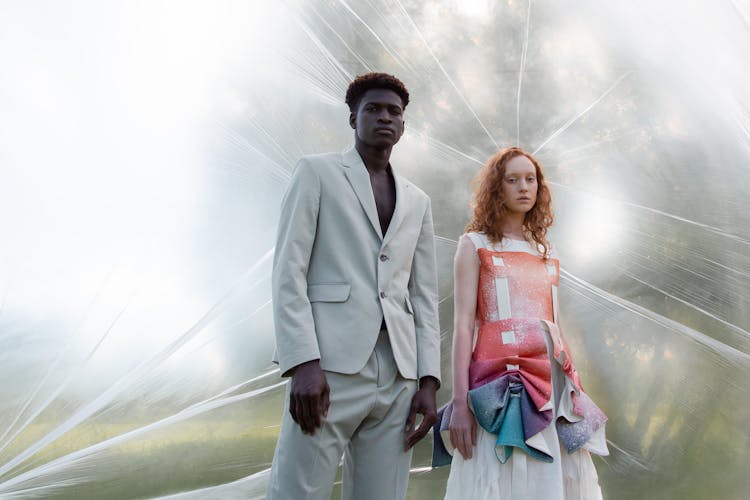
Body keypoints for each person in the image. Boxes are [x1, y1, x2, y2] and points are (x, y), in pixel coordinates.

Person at [267, 72, 441, 500]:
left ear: (403, 125)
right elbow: (288, 272)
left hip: (398, 374)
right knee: (298, 491)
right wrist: (303, 362)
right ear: (352, 118)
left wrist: (428, 381)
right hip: (327, 369)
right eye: (373, 109)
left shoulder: (418, 200)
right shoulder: (316, 172)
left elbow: (423, 295)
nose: (385, 117)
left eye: (394, 112)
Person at [432, 147, 609, 499]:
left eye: (530, 179)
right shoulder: (475, 245)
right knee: (505, 469)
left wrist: (575, 393)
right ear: (497, 188)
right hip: (500, 382)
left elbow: (554, 325)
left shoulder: (546, 251)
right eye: (512, 180)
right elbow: (464, 326)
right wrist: (461, 403)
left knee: (551, 476)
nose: (523, 187)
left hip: (552, 382)